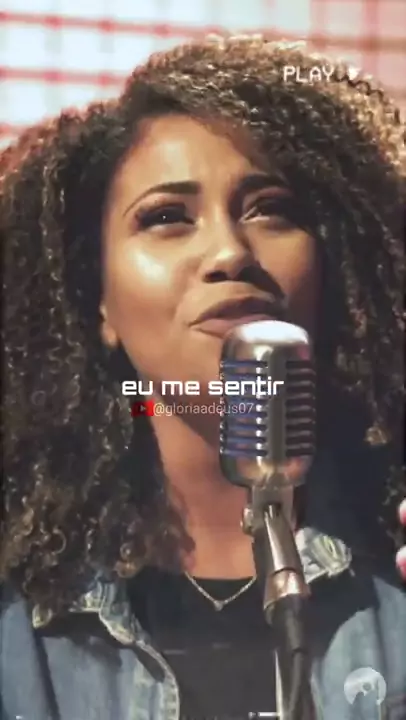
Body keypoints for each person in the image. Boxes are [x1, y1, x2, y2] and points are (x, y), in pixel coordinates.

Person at [1, 35, 405, 720]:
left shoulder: (393, 565)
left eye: (270, 208)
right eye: (166, 218)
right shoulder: (18, 610)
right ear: (98, 303)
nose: (229, 252)